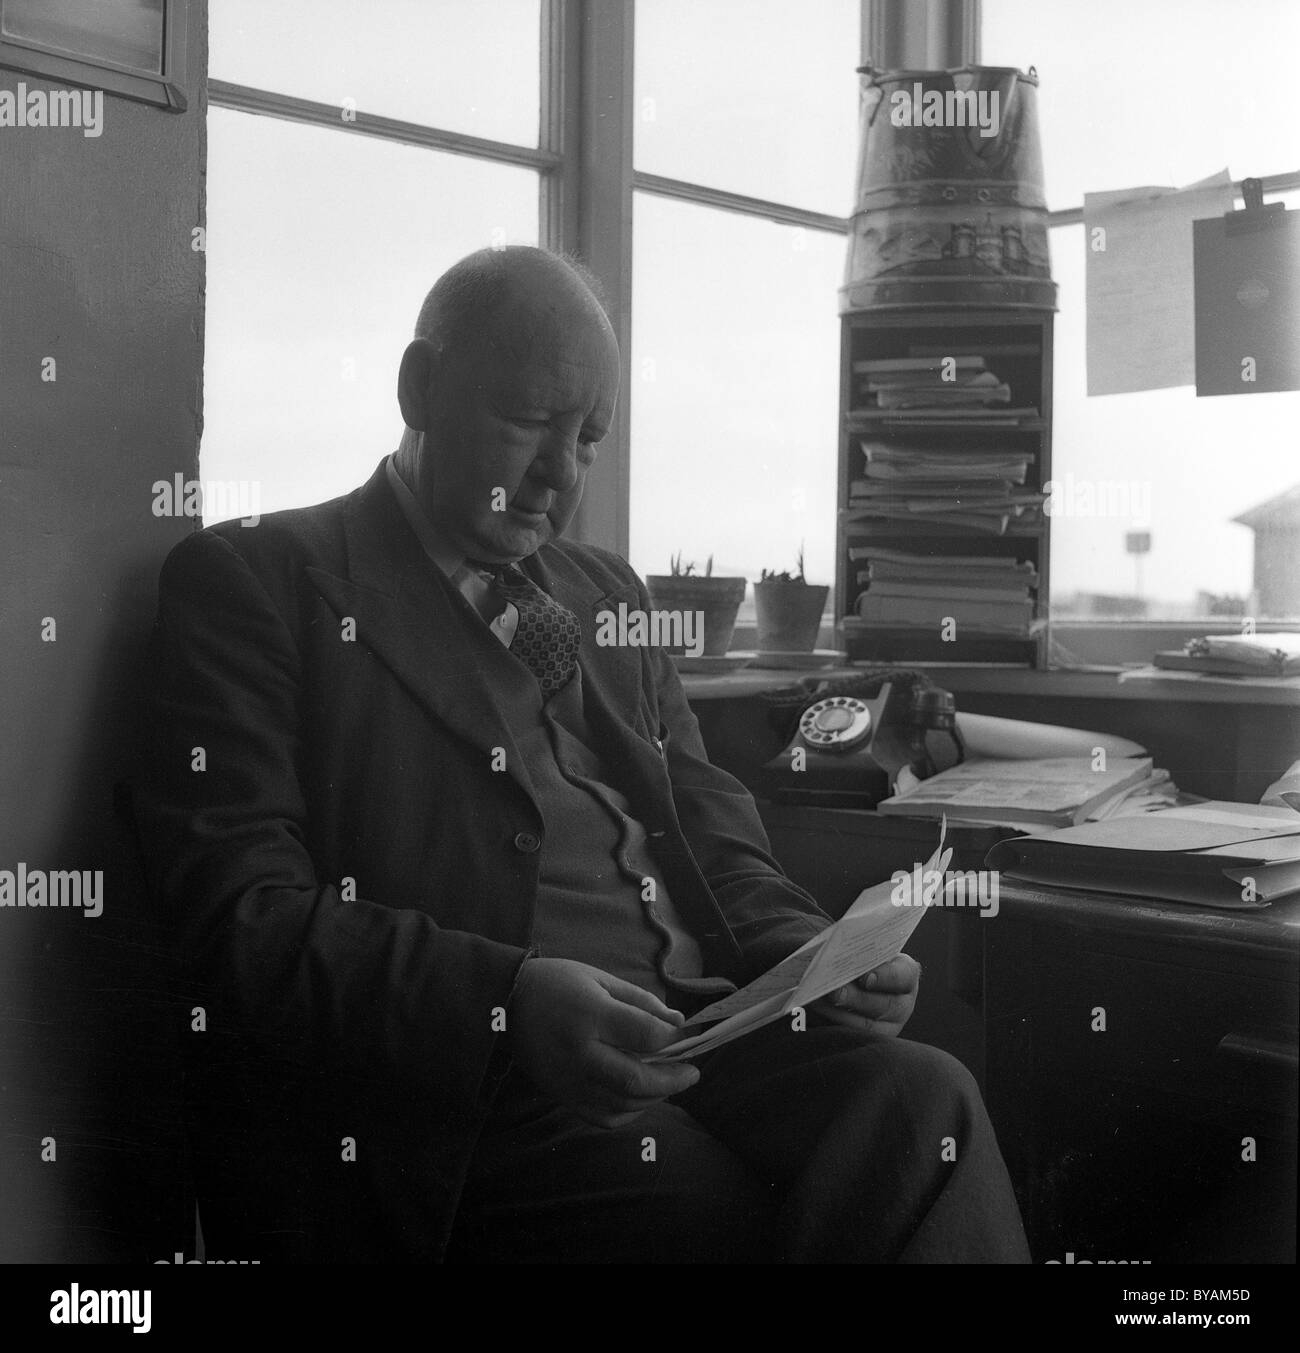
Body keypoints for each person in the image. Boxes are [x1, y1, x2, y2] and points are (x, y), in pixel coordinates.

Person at [134, 245, 1030, 1264]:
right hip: (467, 1099)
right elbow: (239, 919)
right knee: (726, 1216)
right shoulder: (259, 582)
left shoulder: (609, 595)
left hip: (703, 1036)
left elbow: (708, 828)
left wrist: (804, 952)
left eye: (589, 440)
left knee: (928, 1102)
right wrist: (507, 1001)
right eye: (527, 423)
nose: (560, 475)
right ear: (419, 388)